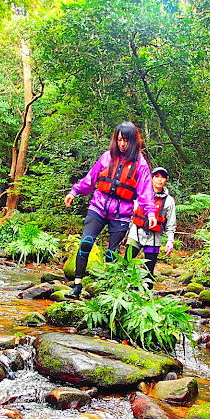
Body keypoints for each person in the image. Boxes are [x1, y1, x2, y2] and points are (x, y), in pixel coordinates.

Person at [64, 122, 156, 299]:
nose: (121, 144)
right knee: (85, 243)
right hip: (98, 206)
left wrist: (150, 213)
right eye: (119, 139)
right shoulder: (107, 157)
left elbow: (145, 192)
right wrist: (74, 191)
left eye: (126, 140)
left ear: (133, 142)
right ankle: (77, 286)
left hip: (122, 213)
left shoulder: (141, 165)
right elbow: (90, 179)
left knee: (112, 255)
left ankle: (107, 291)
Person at [126, 166, 176, 288]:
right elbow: (130, 212)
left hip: (154, 238)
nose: (160, 180)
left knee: (149, 272)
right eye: (157, 176)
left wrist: (170, 240)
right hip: (136, 233)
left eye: (163, 177)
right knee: (126, 264)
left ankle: (148, 299)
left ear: (166, 180)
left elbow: (170, 224)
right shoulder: (141, 193)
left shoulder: (169, 201)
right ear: (152, 178)